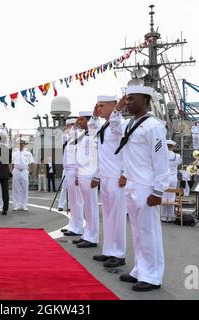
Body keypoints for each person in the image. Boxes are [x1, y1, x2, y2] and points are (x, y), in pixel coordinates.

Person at [116, 85, 170, 292]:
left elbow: (161, 160)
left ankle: (153, 276)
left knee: (150, 232)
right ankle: (140, 270)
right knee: (137, 232)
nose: (128, 102)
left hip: (147, 186)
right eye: (127, 99)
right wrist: (117, 109)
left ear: (146, 100)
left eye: (132, 99)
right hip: (131, 184)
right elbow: (112, 126)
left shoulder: (153, 126)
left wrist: (158, 190)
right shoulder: (130, 124)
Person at [88, 95, 127, 268]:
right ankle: (108, 250)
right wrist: (94, 116)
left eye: (102, 106)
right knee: (108, 217)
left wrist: (125, 173)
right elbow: (90, 132)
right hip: (105, 176)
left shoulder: (121, 125)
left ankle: (119, 254)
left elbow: (127, 150)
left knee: (117, 218)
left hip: (116, 177)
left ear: (113, 106)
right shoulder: (104, 126)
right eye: (98, 106)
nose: (99, 108)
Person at [72, 111, 99, 249]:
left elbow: (98, 157)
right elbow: (79, 157)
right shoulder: (83, 136)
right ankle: (86, 234)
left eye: (81, 119)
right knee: (86, 208)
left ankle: (92, 237)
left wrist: (96, 176)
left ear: (88, 121)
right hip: (82, 174)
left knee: (91, 208)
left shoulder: (94, 136)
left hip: (90, 175)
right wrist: (77, 175)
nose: (78, 122)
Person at [61, 116, 84, 237]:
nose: (66, 130)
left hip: (75, 172)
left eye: (68, 127)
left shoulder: (77, 140)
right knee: (72, 203)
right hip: (68, 171)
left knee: (77, 202)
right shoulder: (68, 141)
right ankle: (72, 225)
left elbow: (79, 158)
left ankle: (78, 227)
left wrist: (76, 174)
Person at [161, 140, 182, 223]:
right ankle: (170, 217)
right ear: (172, 146)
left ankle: (163, 217)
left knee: (164, 196)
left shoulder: (162, 155)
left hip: (164, 177)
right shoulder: (177, 156)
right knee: (171, 197)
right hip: (173, 178)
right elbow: (179, 163)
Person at [58, 119, 76, 211]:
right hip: (66, 169)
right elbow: (64, 137)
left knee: (72, 189)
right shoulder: (65, 139)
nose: (71, 127)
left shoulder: (76, 139)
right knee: (64, 188)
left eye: (73, 125)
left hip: (74, 168)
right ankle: (61, 205)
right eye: (70, 125)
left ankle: (70, 206)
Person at [12, 140, 35, 211]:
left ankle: (24, 205)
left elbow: (31, 163)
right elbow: (11, 163)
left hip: (25, 171)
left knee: (25, 188)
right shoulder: (14, 153)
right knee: (16, 189)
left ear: (24, 145)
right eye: (20, 144)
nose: (21, 145)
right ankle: (16, 205)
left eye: (22, 144)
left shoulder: (28, 153)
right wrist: (10, 172)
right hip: (16, 171)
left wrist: (31, 171)